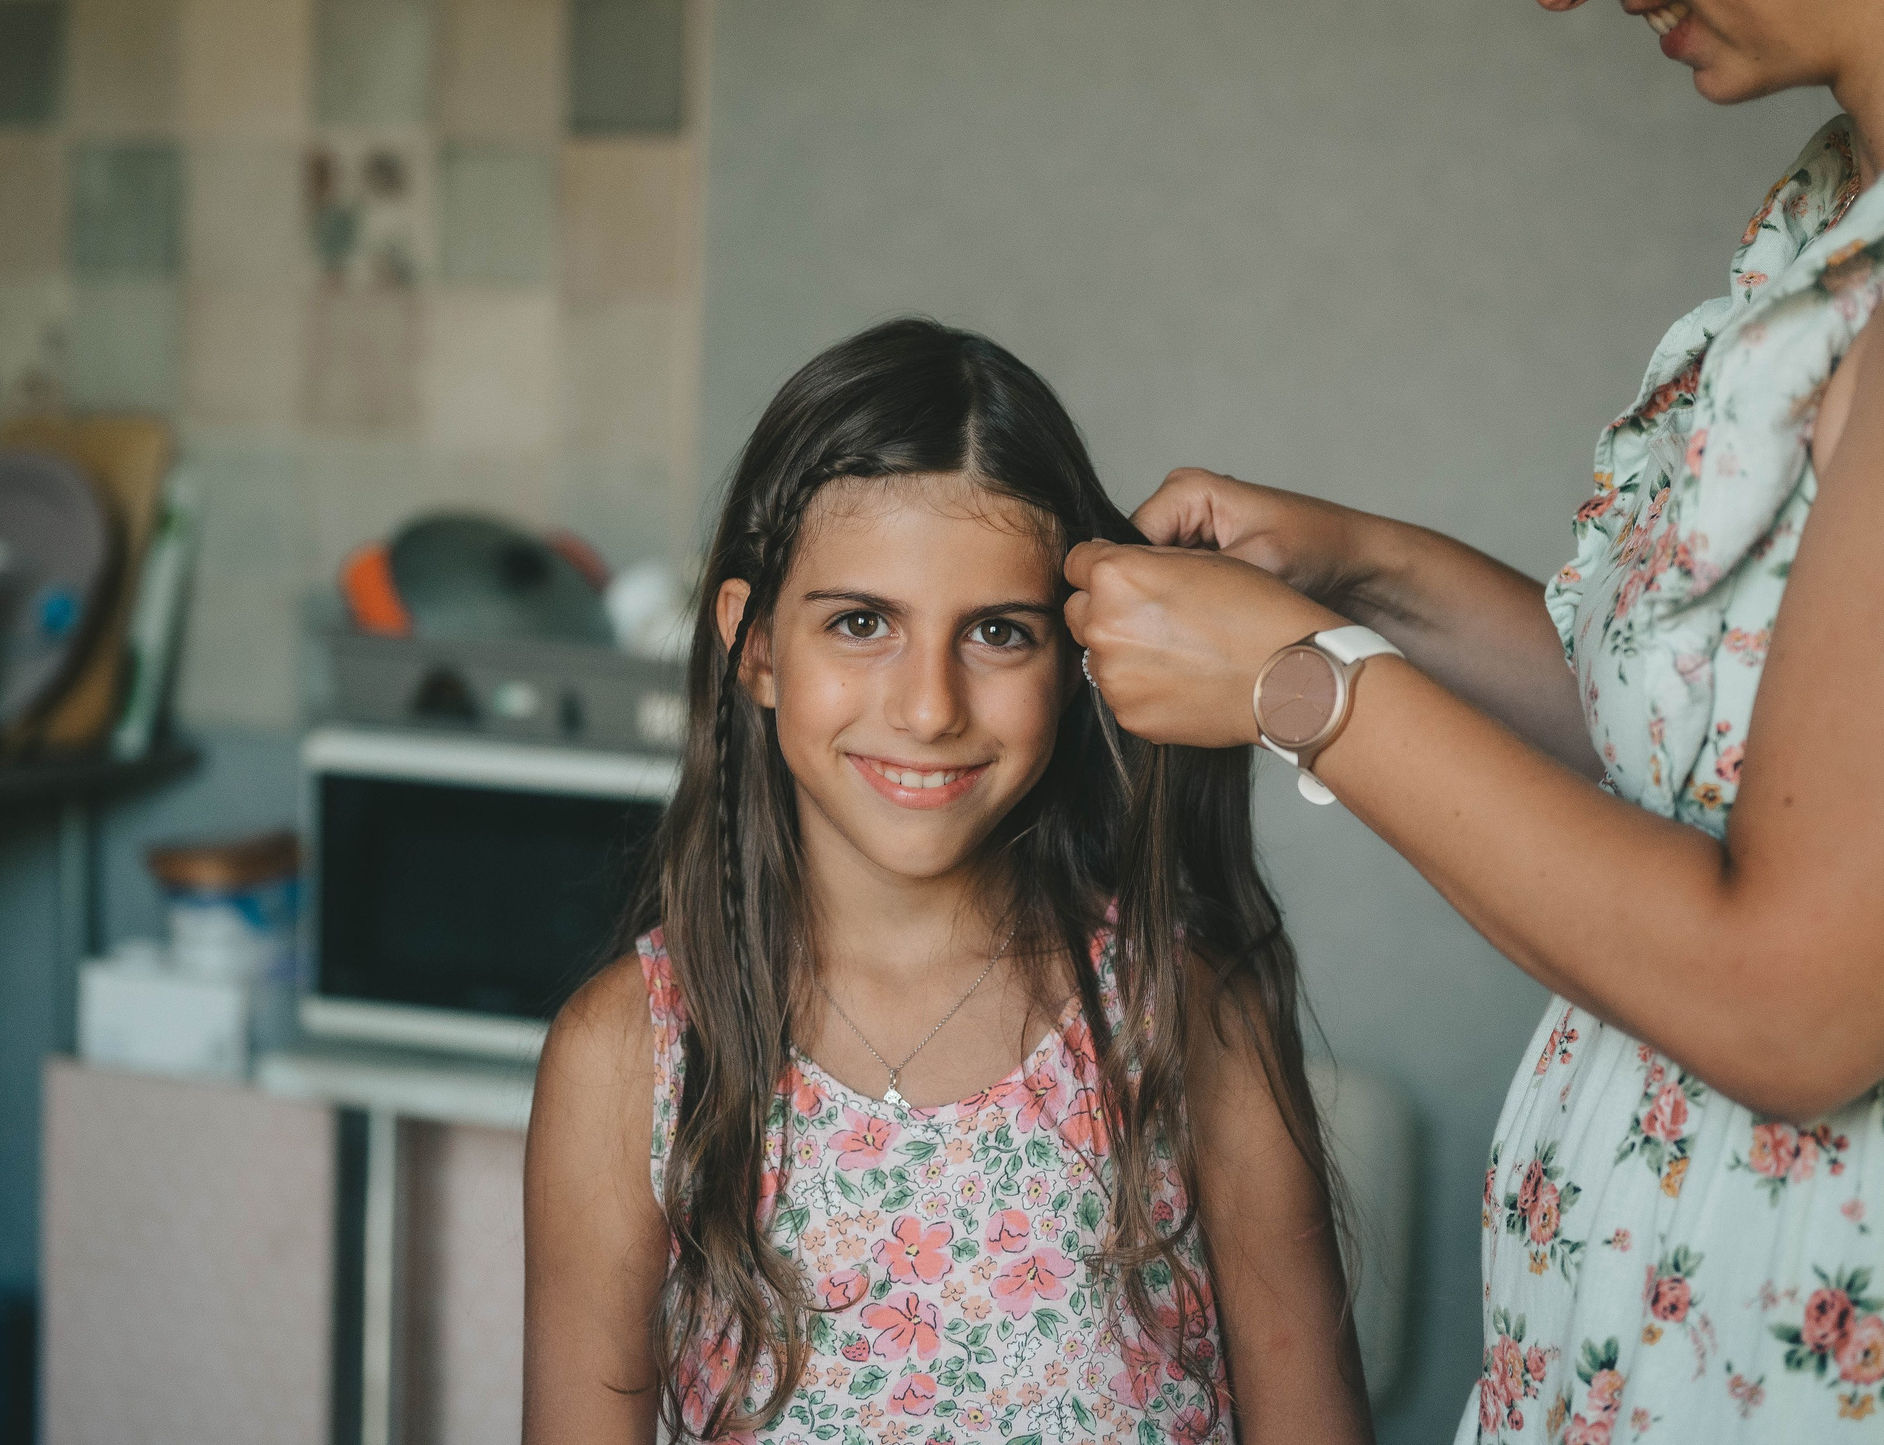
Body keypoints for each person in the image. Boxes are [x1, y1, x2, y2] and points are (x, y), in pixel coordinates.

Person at [1063, 0, 1884, 1437]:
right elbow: (1761, 758)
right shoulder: (1881, 195)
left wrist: (1309, 686)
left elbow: (1798, 997)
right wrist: (1366, 572)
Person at [522, 319, 1376, 1444]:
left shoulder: (1187, 1018)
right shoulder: (630, 1057)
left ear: (1076, 663)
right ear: (755, 645)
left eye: (998, 632)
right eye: (861, 622)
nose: (930, 707)